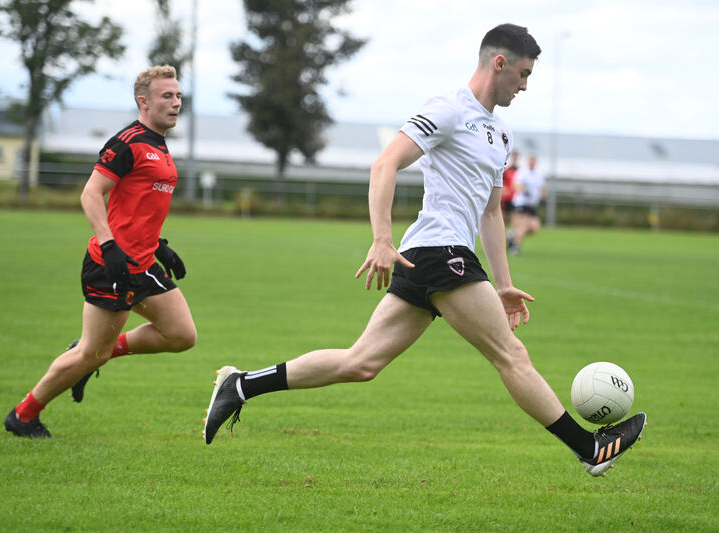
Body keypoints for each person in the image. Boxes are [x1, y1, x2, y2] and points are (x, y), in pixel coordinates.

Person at [202, 24, 646, 477]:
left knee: (362, 362)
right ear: (500, 64)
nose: (526, 85)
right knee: (510, 355)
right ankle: (589, 449)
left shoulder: (501, 134)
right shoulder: (448, 109)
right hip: (439, 250)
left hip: (433, 256)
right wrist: (380, 238)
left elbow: (492, 214)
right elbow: (385, 163)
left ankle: (241, 386)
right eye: (523, 74)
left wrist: (505, 285)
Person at [4, 65, 197, 438]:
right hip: (112, 266)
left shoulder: (159, 143)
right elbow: (90, 194)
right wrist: (109, 247)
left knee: (181, 335)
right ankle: (23, 415)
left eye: (178, 96)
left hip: (143, 262)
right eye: (166, 96)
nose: (176, 103)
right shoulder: (127, 142)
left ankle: (101, 350)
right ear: (143, 101)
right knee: (89, 354)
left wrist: (160, 246)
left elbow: (136, 205)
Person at [509, 153, 546, 254]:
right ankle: (515, 246)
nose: (532, 162)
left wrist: (543, 197)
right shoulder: (522, 172)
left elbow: (542, 189)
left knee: (534, 227)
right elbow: (515, 184)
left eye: (534, 160)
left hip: (532, 205)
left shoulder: (539, 174)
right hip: (522, 203)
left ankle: (513, 235)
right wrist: (523, 191)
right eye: (530, 160)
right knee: (523, 225)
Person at [501, 151, 520, 253]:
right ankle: (501, 242)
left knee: (515, 222)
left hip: (514, 200)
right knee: (501, 221)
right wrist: (504, 190)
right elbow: (501, 182)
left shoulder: (520, 171)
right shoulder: (507, 170)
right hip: (506, 199)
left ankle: (512, 242)